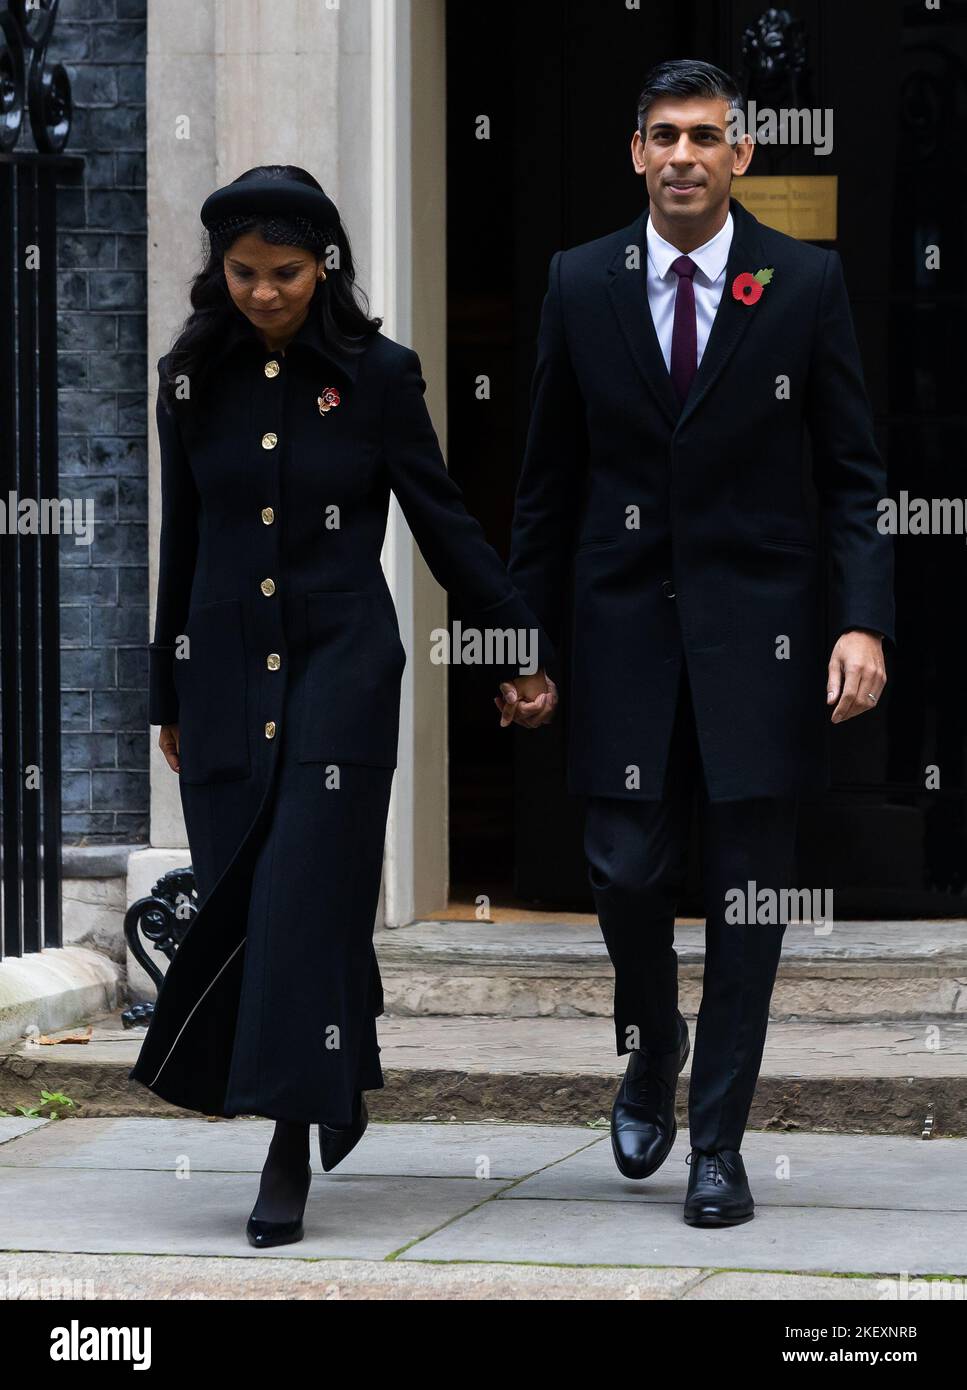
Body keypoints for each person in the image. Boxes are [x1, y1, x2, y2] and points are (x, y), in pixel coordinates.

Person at [130, 165, 556, 1248]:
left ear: (327, 266)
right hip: (224, 672)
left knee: (299, 899)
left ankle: (286, 1142)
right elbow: (185, 539)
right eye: (243, 273)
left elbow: (442, 521)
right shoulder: (188, 378)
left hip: (342, 671)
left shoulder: (379, 376)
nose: (264, 292)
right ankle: (338, 1044)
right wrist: (165, 690)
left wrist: (512, 644)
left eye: (285, 272)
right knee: (251, 897)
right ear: (216, 269)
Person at [507, 60, 895, 1226]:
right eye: (663, 135)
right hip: (620, 634)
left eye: (705, 136)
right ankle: (651, 1039)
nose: (683, 154)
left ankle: (716, 1143)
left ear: (742, 154)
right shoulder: (580, 283)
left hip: (762, 645)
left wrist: (861, 618)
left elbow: (853, 477)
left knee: (746, 902)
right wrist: (520, 643)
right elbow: (544, 485)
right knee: (625, 871)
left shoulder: (805, 283)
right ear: (635, 152)